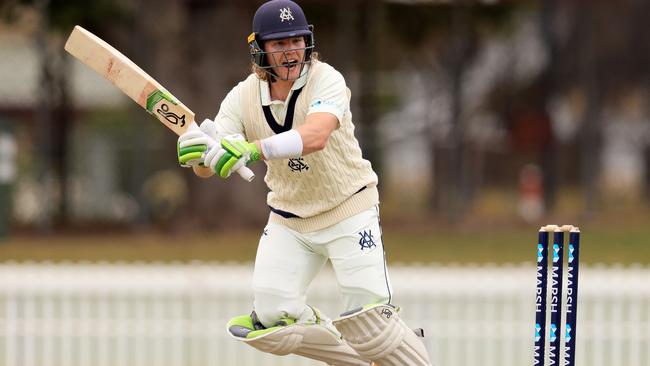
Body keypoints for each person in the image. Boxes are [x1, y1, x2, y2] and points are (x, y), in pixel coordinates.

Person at [177, 1, 432, 365]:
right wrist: (200, 157)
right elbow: (215, 161)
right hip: (290, 218)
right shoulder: (242, 97)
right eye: (279, 44)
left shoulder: (326, 79)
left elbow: (315, 135)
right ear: (260, 48)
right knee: (271, 321)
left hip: (348, 208)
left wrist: (251, 149)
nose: (290, 51)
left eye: (296, 40)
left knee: (371, 323)